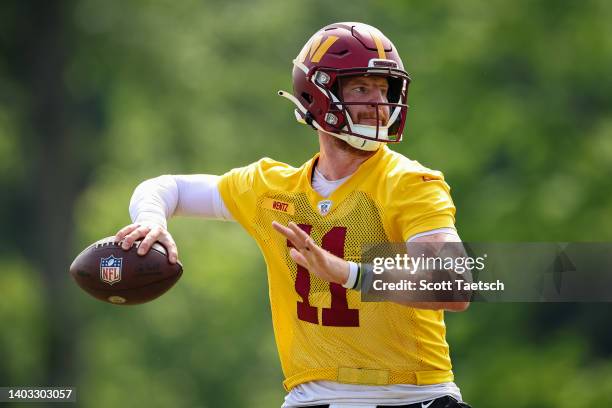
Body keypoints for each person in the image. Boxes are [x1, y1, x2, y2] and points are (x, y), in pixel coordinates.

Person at [115, 22, 471, 408]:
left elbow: (454, 285)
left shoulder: (409, 182)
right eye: (362, 88)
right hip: (309, 399)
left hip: (411, 398)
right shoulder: (272, 188)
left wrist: (349, 274)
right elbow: (168, 187)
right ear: (318, 94)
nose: (380, 104)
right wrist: (152, 219)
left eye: (385, 90)